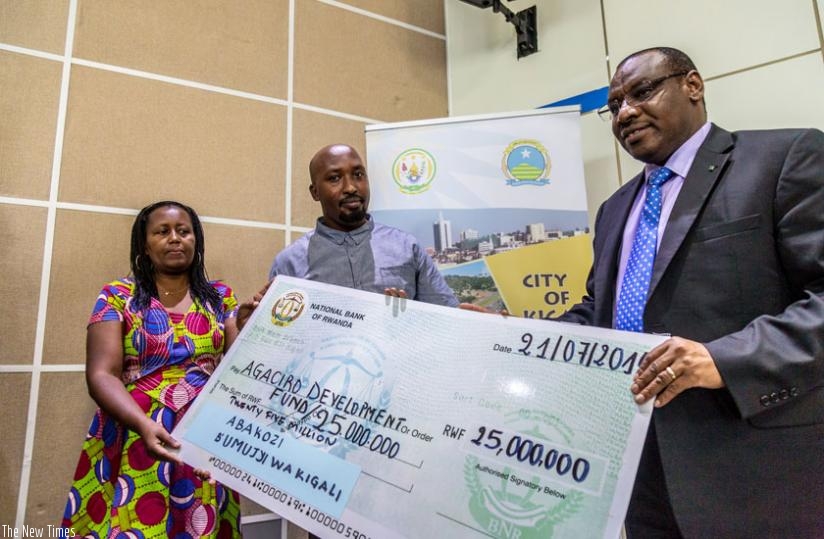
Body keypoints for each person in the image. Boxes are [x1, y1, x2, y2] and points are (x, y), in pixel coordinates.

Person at [558, 47, 824, 537]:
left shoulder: (785, 157)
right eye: (614, 105)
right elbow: (601, 312)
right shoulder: (615, 209)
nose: (626, 112)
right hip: (640, 466)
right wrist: (508, 334)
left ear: (693, 86)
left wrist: (724, 359)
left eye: (642, 92)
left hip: (755, 465)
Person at [62, 201, 242, 537]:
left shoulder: (221, 298)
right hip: (134, 435)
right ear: (145, 244)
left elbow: (238, 372)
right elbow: (102, 374)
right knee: (133, 523)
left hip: (201, 440)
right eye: (163, 232)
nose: (175, 238)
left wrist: (250, 329)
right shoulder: (118, 296)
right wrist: (143, 424)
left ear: (196, 240)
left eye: (183, 231)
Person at [268, 143, 458, 306]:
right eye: (335, 178)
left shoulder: (407, 247)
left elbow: (445, 317)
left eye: (358, 174)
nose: (351, 187)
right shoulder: (289, 263)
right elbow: (279, 333)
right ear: (315, 192)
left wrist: (408, 322)